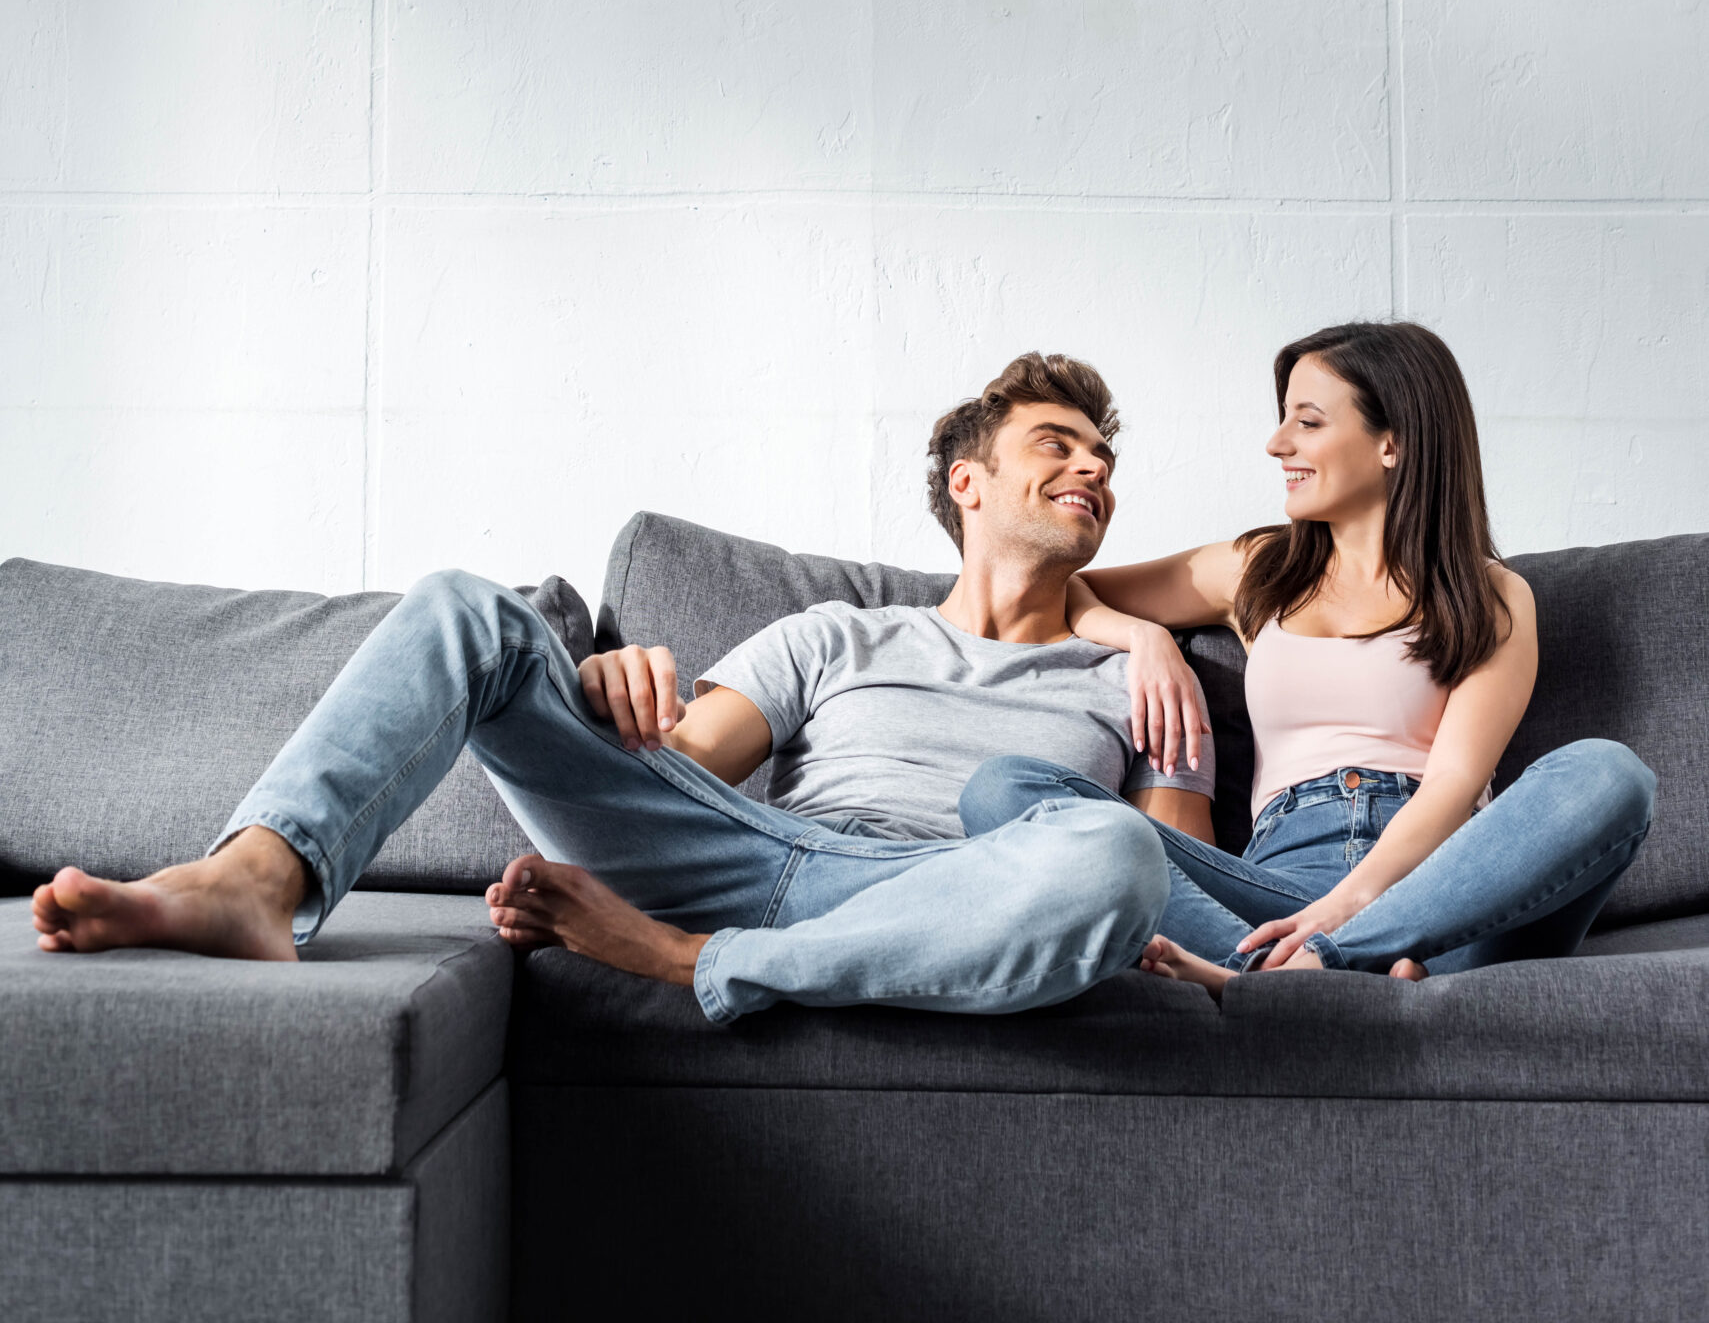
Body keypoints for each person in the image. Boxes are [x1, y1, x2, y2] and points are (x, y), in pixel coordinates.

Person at [32, 352, 1215, 1027]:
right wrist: (609, 697)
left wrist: (1141, 646)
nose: (1092, 467)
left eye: (1103, 458)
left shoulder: (1136, 681)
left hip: (946, 892)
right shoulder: (841, 632)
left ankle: (681, 961)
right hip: (749, 850)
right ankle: (257, 878)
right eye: (1057, 443)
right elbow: (687, 765)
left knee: (1112, 860)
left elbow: (1177, 878)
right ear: (968, 480)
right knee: (465, 604)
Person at [967, 320, 1654, 989]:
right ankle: (1315, 980)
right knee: (1006, 791)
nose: (1275, 443)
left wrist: (1345, 915)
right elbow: (1070, 588)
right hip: (1271, 894)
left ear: (1392, 442)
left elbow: (1452, 782)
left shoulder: (1491, 594)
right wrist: (1144, 638)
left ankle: (1282, 981)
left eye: (1307, 421)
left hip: (1442, 897)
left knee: (1609, 775)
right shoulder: (1256, 569)